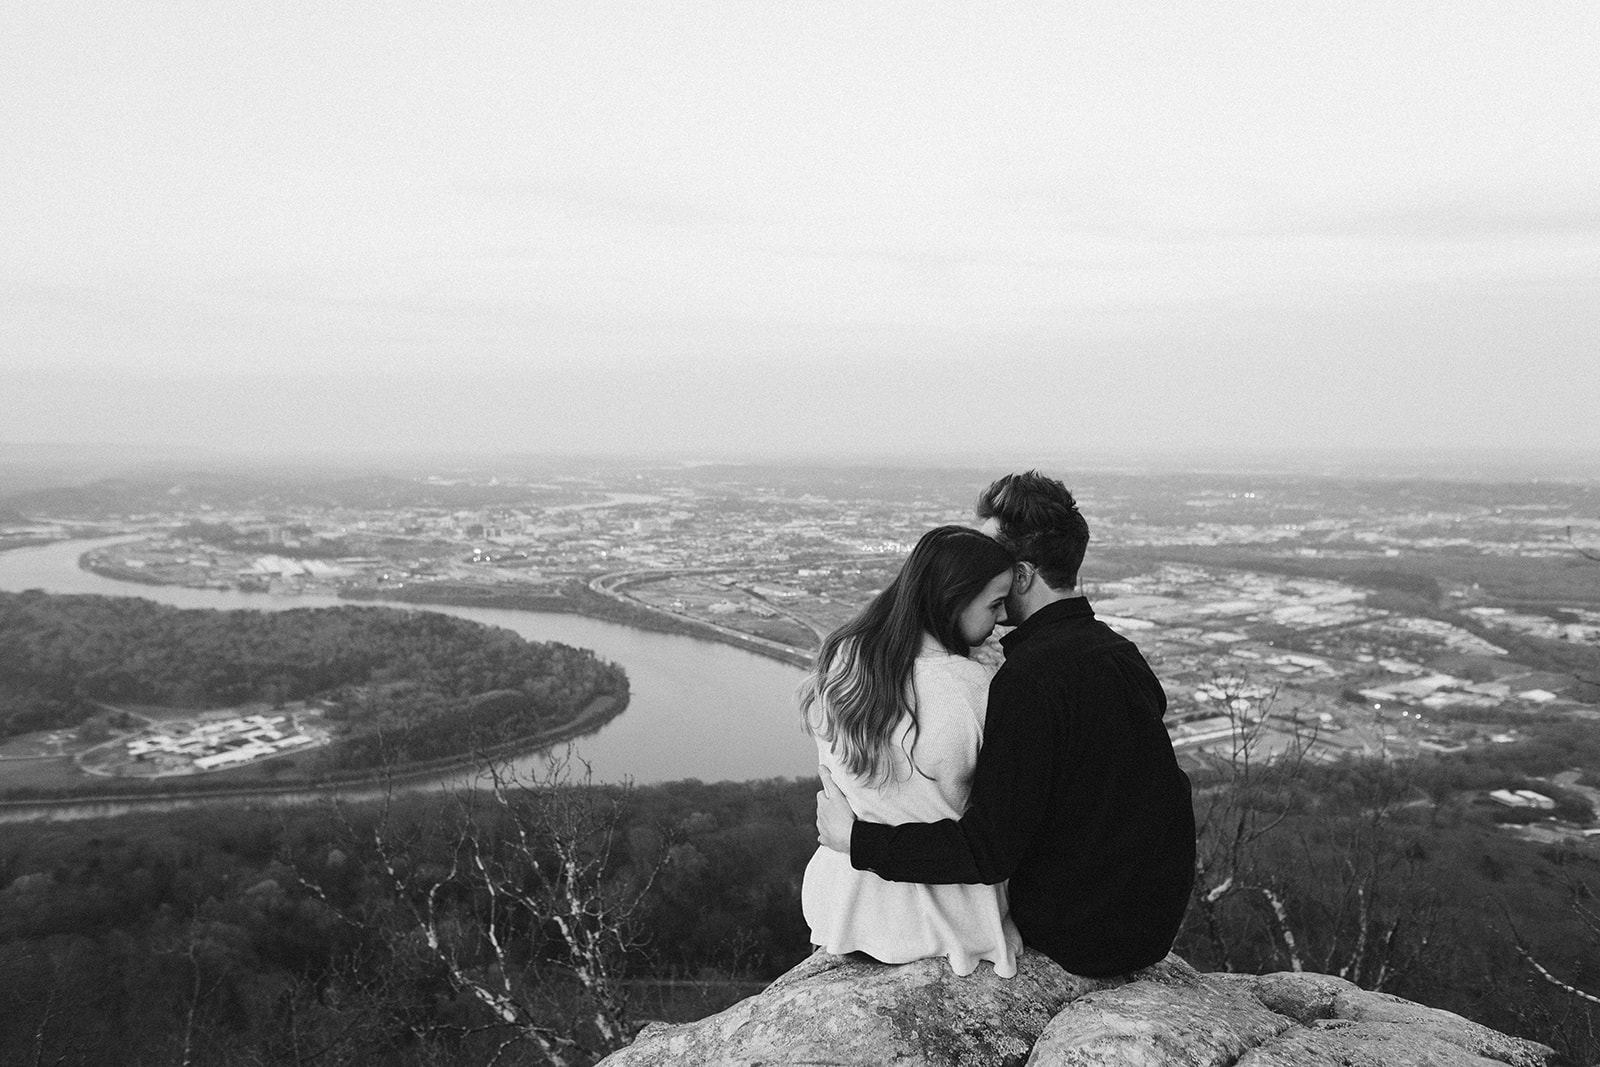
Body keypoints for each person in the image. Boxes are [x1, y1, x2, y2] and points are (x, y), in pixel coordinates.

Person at [817, 472, 1195, 978]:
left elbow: (987, 850)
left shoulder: (1027, 680)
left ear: (1018, 575)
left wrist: (857, 840)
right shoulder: (1120, 655)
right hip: (1148, 922)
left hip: (1078, 933)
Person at [801, 524, 1024, 978]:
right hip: (949, 917)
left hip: (845, 904)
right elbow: (992, 828)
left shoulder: (844, 662)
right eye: (995, 603)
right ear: (954, 601)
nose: (1002, 617)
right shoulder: (977, 690)